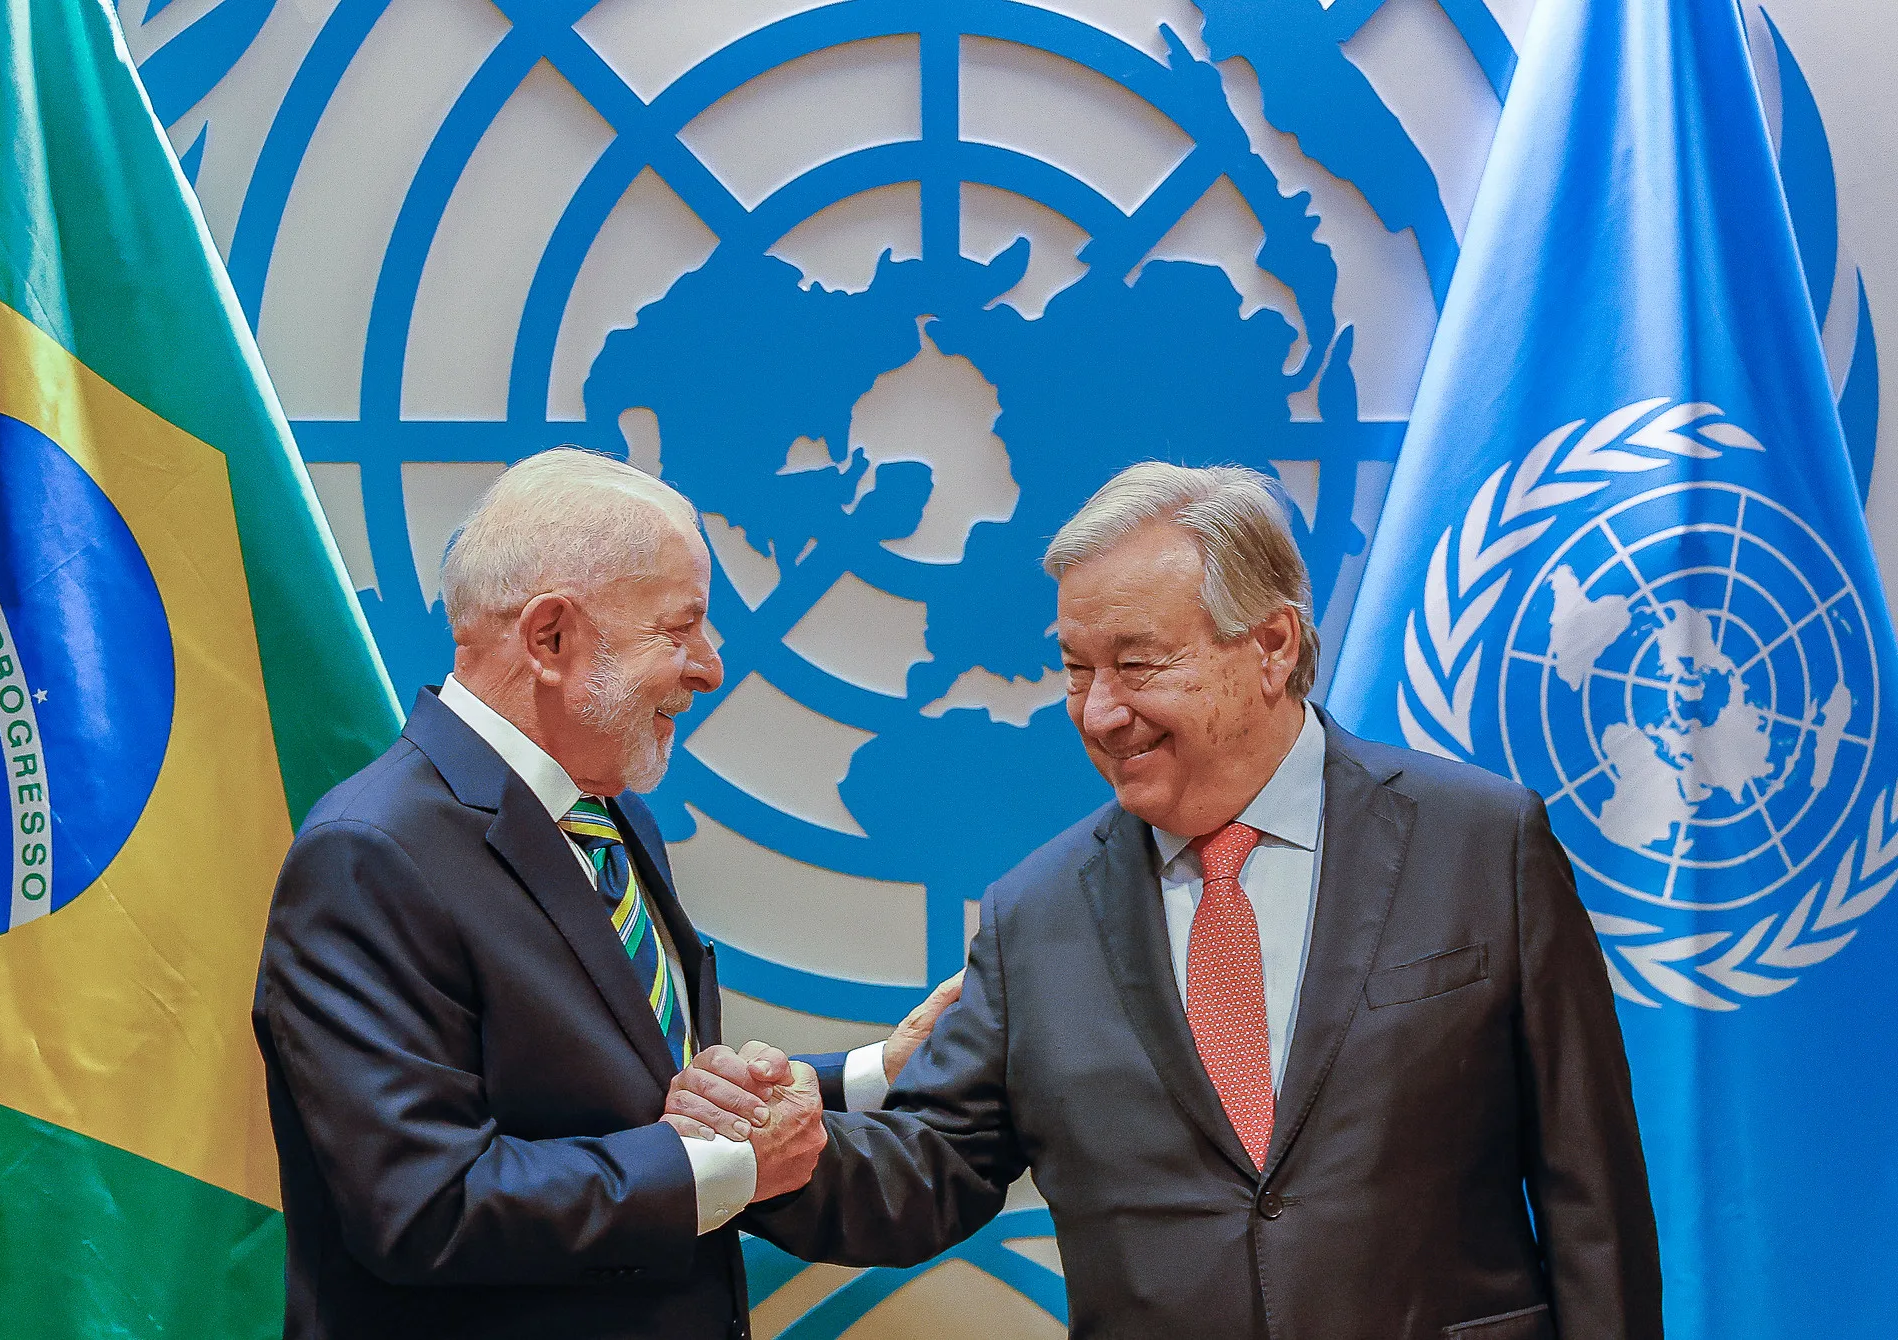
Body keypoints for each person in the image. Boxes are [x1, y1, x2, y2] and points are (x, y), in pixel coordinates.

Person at [673, 463, 1662, 1338]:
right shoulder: (1036, 916)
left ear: (1270, 644)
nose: (1100, 711)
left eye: (1136, 664)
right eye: (1075, 670)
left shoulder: (1480, 843)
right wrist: (785, 1153)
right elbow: (930, 1170)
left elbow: (1590, 1194)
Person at [252, 448, 957, 1340]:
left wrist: (874, 1075)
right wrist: (727, 1170)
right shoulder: (368, 856)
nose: (711, 665)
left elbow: (643, 1101)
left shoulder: (607, 815)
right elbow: (424, 1208)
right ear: (551, 639)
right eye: (682, 628)